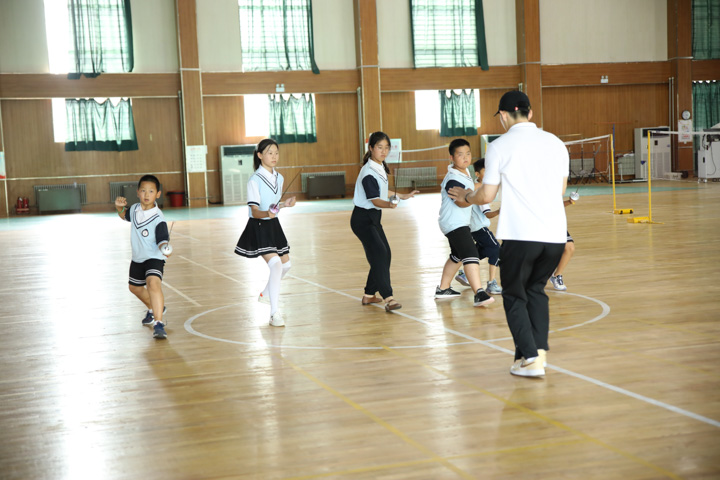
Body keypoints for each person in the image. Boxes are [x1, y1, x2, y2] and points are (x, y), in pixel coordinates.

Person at [449, 90, 569, 377]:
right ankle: (536, 355)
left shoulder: (499, 146)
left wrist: (466, 196)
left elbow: (486, 194)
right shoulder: (556, 143)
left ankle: (530, 360)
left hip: (522, 235)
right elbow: (561, 190)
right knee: (536, 291)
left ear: (503, 115)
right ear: (530, 113)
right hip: (555, 236)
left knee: (515, 294)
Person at [351, 131, 418, 312]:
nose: (384, 151)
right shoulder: (368, 172)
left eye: (386, 148)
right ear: (371, 148)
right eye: (379, 147)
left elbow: (381, 191)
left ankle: (369, 294)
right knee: (380, 253)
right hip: (362, 219)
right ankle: (389, 297)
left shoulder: (379, 167)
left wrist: (402, 196)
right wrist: (389, 205)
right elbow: (375, 200)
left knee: (384, 254)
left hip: (373, 218)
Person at [235, 138, 296, 327]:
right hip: (259, 226)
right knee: (276, 265)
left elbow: (274, 207)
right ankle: (274, 313)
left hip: (273, 225)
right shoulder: (254, 180)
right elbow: (255, 211)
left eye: (276, 153)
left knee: (286, 265)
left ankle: (266, 293)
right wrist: (267, 214)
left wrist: (284, 205)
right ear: (260, 155)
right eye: (270, 153)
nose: (274, 156)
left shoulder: (280, 178)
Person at [434, 139, 494, 307]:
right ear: (452, 158)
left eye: (468, 153)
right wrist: (474, 197)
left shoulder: (464, 172)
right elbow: (460, 202)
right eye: (460, 155)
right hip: (454, 223)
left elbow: (470, 189)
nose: (465, 157)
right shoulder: (453, 179)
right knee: (470, 253)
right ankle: (479, 293)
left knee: (457, 255)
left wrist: (475, 191)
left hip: (457, 222)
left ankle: (443, 289)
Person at [115, 174, 171, 340]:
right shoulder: (134, 209)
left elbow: (162, 239)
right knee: (134, 288)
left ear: (157, 194)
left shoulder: (158, 217)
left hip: (154, 257)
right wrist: (119, 208)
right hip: (138, 257)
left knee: (153, 283)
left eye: (151, 191)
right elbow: (125, 216)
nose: (147, 194)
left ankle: (159, 323)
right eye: (144, 191)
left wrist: (165, 248)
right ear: (138, 192)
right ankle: (154, 308)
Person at [455, 158, 503, 295]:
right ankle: (492, 283)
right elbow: (488, 214)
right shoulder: (480, 190)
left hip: (473, 229)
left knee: (478, 252)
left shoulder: (478, 189)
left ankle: (464, 274)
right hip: (480, 228)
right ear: (477, 174)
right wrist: (499, 211)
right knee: (496, 250)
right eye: (486, 171)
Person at [549, 197, 576, 291]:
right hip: (537, 222)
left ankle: (557, 275)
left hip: (556, 222)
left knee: (569, 247)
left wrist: (569, 202)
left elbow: (556, 205)